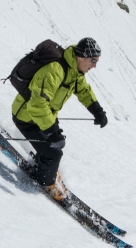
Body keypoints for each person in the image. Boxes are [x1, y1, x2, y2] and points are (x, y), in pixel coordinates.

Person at [11, 37, 108, 199]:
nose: (94, 65)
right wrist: (52, 131)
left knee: (54, 147)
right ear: (82, 56)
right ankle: (44, 181)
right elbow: (37, 104)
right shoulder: (55, 70)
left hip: (41, 118)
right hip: (27, 117)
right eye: (93, 60)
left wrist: (98, 111)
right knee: (54, 153)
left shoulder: (75, 71)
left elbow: (84, 91)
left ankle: (43, 166)